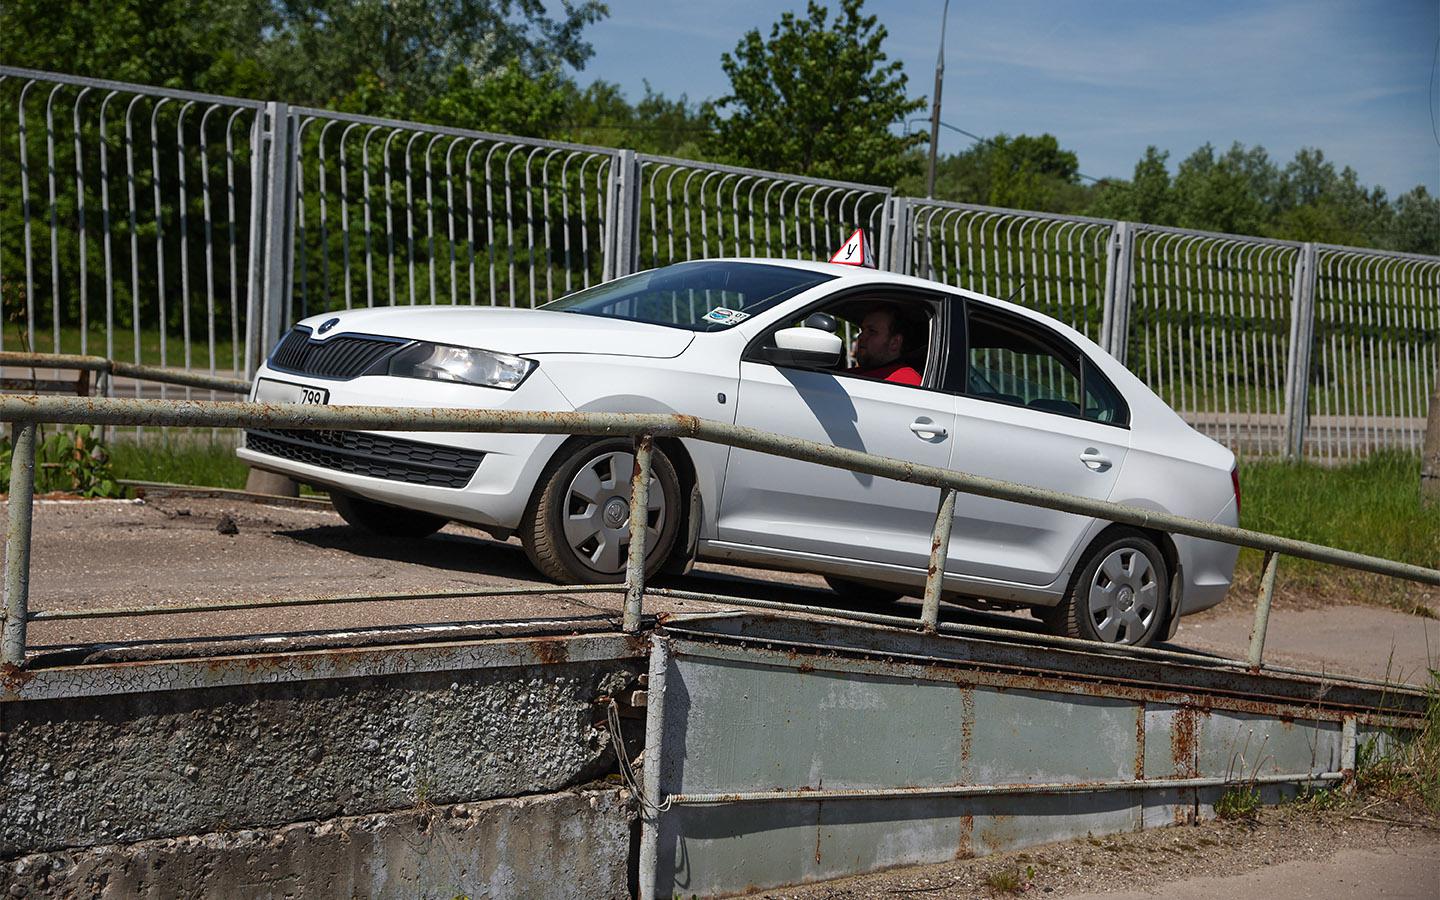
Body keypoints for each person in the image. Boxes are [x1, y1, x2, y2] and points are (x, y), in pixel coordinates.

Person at [847, 305, 922, 385]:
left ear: (894, 343)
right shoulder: (858, 373)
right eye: (862, 330)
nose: (861, 336)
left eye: (872, 331)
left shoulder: (905, 381)